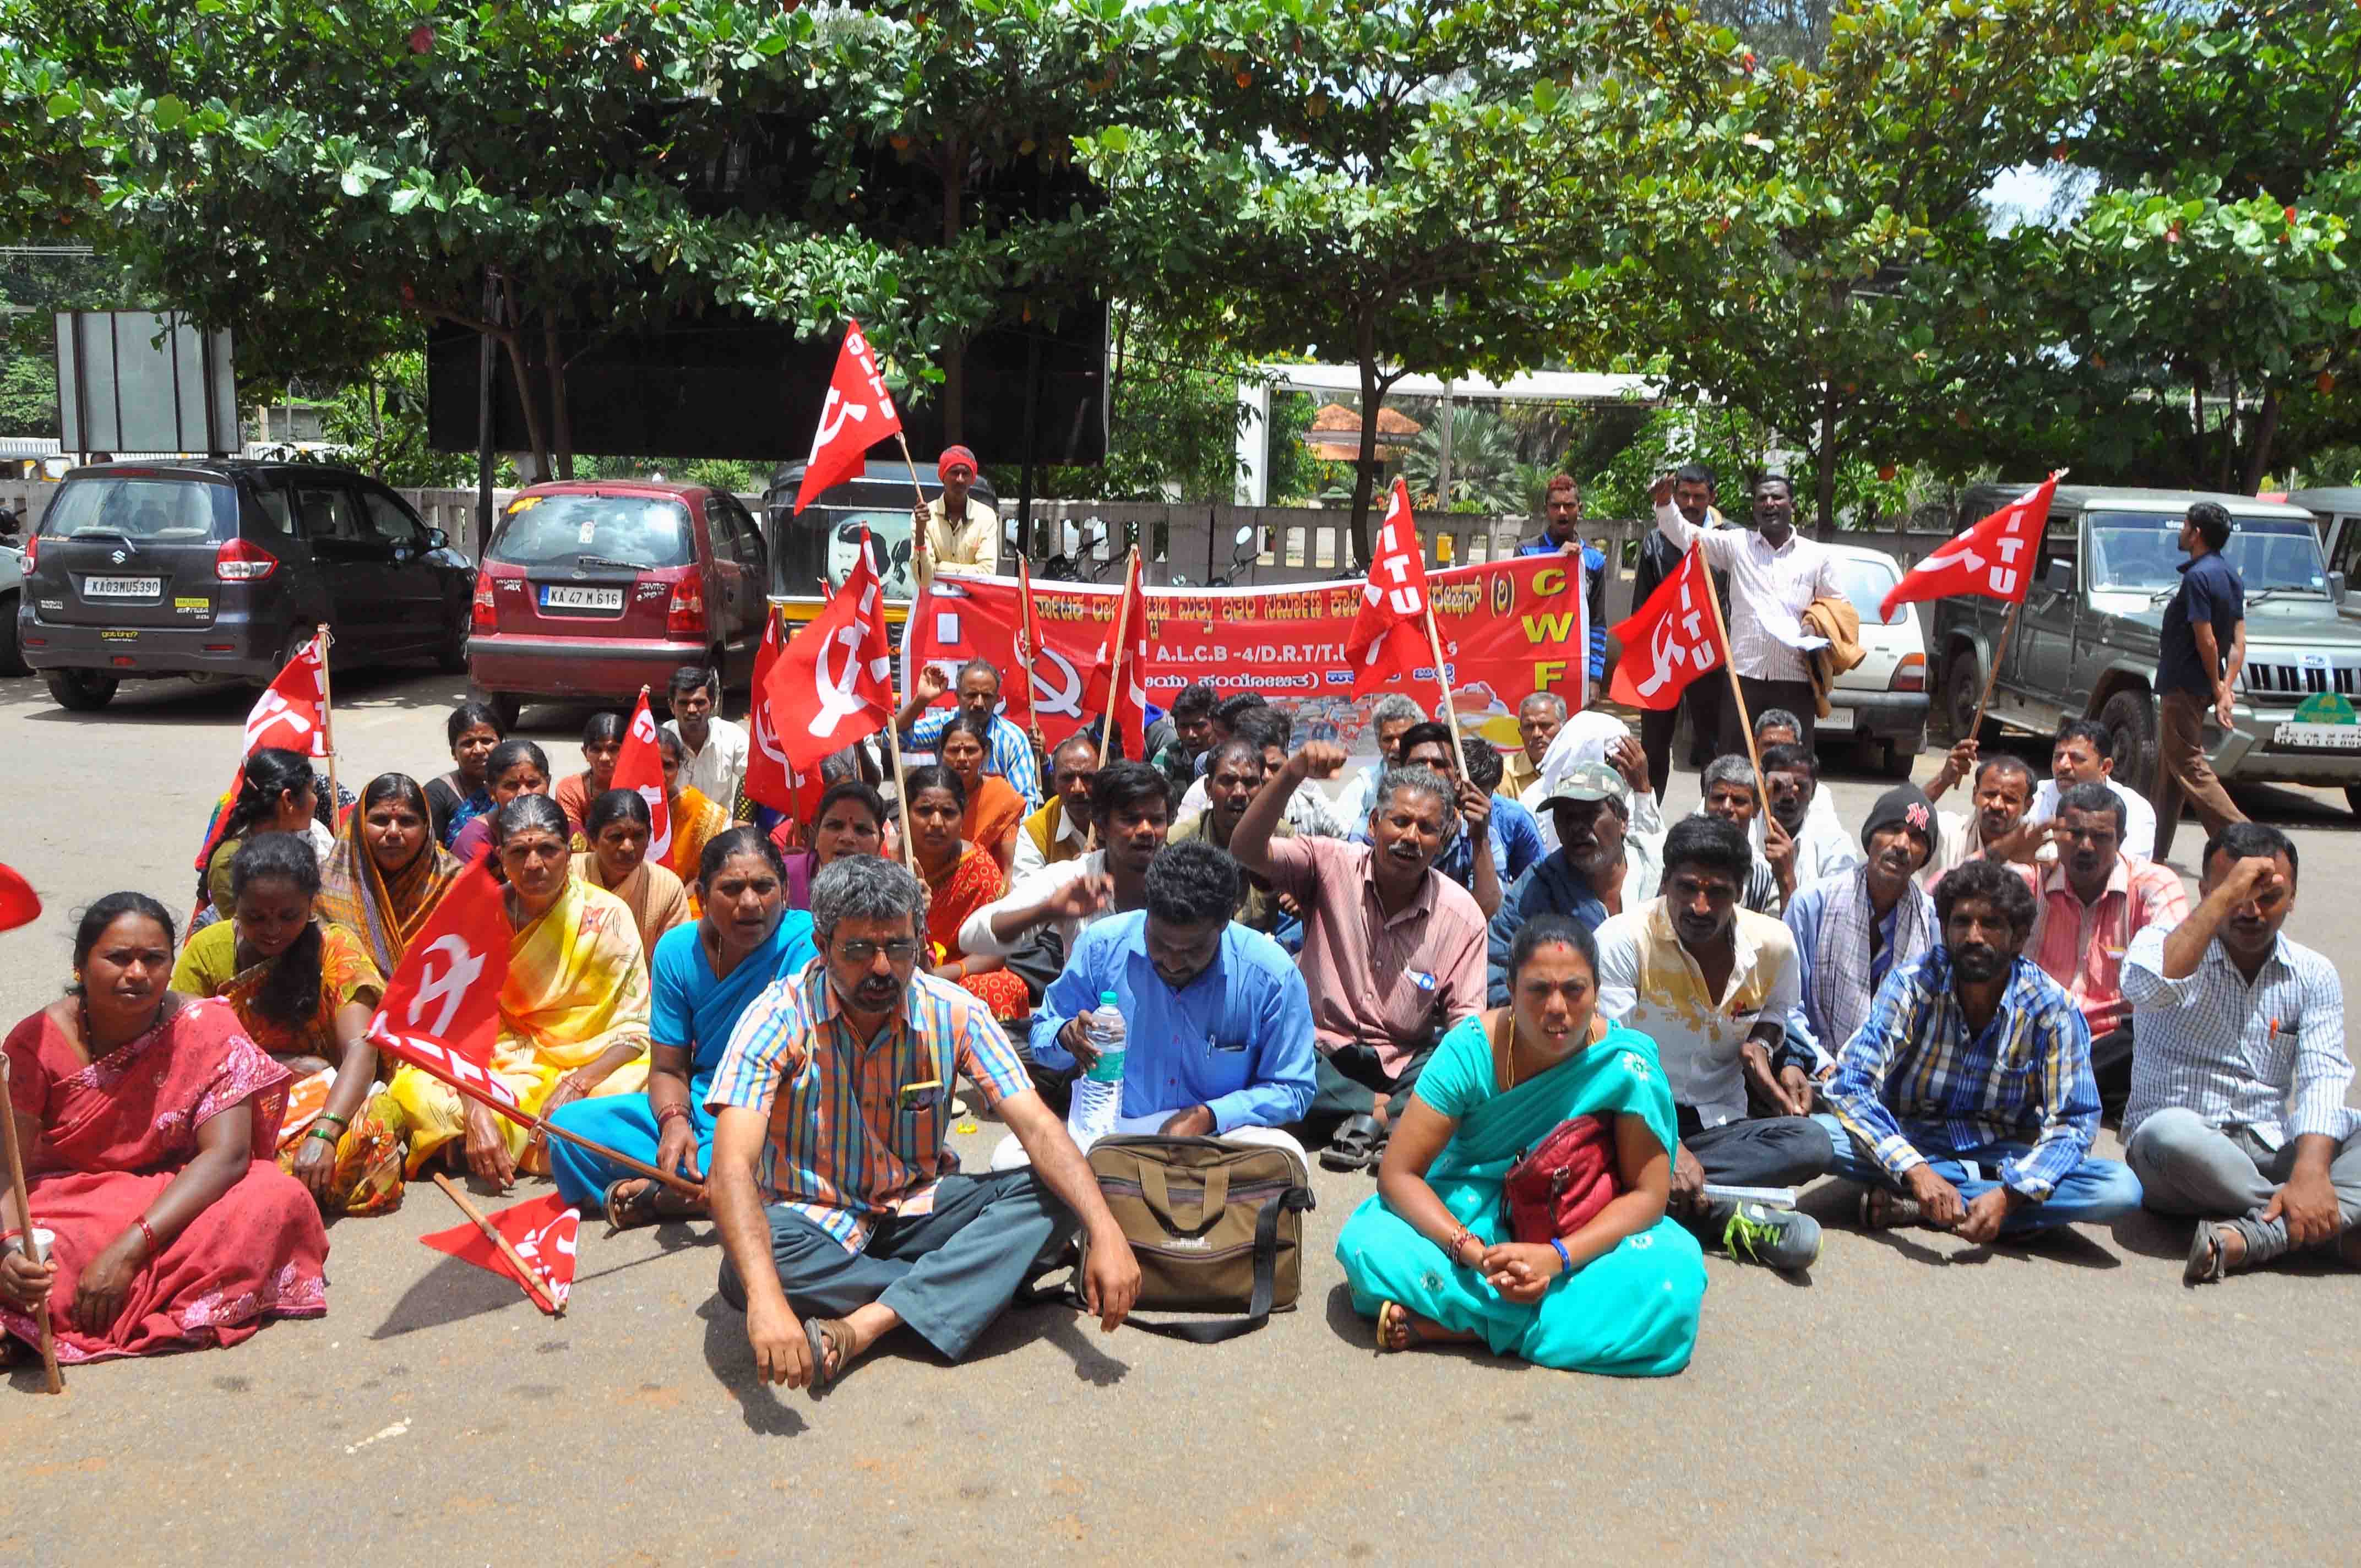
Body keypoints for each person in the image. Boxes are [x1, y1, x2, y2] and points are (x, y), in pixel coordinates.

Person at [706, 855, 1141, 1393]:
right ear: (821, 946)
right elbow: (730, 1168)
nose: (882, 968)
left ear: (921, 943)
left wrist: (1105, 1230)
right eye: (859, 950)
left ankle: (871, 1323)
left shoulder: (953, 1011)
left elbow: (1038, 1127)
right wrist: (767, 1302)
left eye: (899, 947)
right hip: (809, 1219)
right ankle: (973, 1279)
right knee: (749, 1271)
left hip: (916, 1208)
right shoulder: (777, 1016)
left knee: (1059, 1191)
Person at [1335, 916, 1704, 1374]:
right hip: (1469, 1214)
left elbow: (1647, 1197)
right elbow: (1397, 1175)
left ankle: (1467, 1327)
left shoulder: (1625, 1065)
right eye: (1538, 990)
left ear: (1596, 991)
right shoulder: (1470, 1051)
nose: (1557, 1008)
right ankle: (1524, 1323)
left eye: (1574, 990)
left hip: (1577, 1225)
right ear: (1510, 989)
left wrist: (1554, 1259)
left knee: (1674, 1276)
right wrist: (1479, 1257)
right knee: (1368, 1245)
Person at [1, 894, 329, 1362]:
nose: (137, 973)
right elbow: (6, 1168)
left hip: (175, 1195)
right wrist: (10, 1250)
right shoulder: (37, 1041)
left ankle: (62, 1314)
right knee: (42, 1262)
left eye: (153, 959)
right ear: (80, 965)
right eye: (119, 958)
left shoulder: (207, 1025)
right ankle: (51, 1306)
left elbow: (228, 1156)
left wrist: (130, 1249)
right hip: (72, 1202)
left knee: (278, 1197)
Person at [1818, 859, 2142, 1240]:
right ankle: (1956, 1198)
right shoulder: (1912, 984)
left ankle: (1920, 1207)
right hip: (1911, 1141)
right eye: (1962, 922)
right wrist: (1917, 1171)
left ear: (2018, 938)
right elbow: (1850, 1084)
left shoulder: (2052, 1008)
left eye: (1991, 924)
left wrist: (2010, 1195)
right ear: (1945, 930)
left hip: (2000, 1155)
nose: (1974, 936)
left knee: (2119, 1189)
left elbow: (2073, 1122)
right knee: (1821, 1138)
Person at [2119, 823, 2360, 1282]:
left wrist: (2311, 1172)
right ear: (2206, 892)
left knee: (2343, 1130)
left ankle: (2257, 1235)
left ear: (2293, 899)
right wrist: (2225, 897)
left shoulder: (2313, 973)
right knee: (2169, 1132)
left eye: (2268, 897)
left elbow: (2323, 1078)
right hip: (2177, 1157)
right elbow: (2149, 987)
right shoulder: (2160, 941)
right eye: (2236, 895)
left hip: (2269, 1147)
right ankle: (2320, 1224)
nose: (2250, 911)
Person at [1231, 743, 1486, 1173]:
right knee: (1265, 1045)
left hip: (1401, 1064)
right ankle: (1388, 1115)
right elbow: (1245, 850)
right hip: (1318, 1054)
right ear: (1373, 824)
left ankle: (1363, 1115)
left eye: (1426, 828)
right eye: (1400, 821)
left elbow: (1465, 1025)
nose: (1411, 837)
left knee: (1459, 1051)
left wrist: (1457, 1072)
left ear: (1442, 841)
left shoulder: (1462, 916)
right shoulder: (1329, 862)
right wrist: (1292, 773)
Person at [1594, 816, 1831, 1270]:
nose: (1700, 907)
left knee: (1813, 1143)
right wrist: (1667, 1145)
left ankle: (1649, 1196)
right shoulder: (1624, 941)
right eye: (1687, 888)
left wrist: (1762, 1047)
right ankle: (1725, 1215)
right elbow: (1615, 1059)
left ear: (1741, 891)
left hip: (1720, 1125)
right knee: (1589, 1147)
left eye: (1718, 892)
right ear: (1665, 881)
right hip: (1634, 1117)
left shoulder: (1774, 945)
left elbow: (1778, 1011)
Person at [550, 827, 817, 1227]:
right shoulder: (676, 950)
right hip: (702, 1101)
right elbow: (668, 1068)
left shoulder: (807, 942)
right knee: (569, 1130)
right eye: (732, 889)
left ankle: (668, 1196)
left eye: (764, 887)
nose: (750, 903)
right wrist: (674, 1122)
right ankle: (705, 1189)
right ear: (703, 899)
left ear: (786, 892)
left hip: (772, 1109)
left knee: (776, 1152)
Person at [387, 796, 653, 1186]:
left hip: (592, 1060)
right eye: (519, 852)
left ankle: (488, 1144)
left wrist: (577, 1083)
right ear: (501, 856)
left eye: (548, 850)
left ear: (570, 851)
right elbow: (453, 1024)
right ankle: (526, 1140)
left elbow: (635, 1029)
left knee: (631, 1088)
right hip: (501, 1059)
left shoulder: (608, 916)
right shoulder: (478, 915)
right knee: (416, 1086)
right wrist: (475, 1104)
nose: (534, 864)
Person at [1009, 840, 1316, 1167]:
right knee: (1009, 1158)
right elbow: (1042, 1035)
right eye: (1158, 943)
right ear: (1147, 911)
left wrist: (1210, 1116)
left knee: (1288, 1156)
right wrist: (1065, 1036)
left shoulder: (1272, 975)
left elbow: (1293, 1088)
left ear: (1224, 923)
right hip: (1116, 1132)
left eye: (1191, 950)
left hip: (1219, 1139)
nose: (1172, 962)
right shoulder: (1101, 947)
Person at [171, 832, 407, 1216]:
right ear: (235, 906)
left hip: (323, 1101)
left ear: (311, 906)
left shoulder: (335, 947)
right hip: (236, 1104)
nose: (273, 930)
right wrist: (275, 1069)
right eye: (256, 917)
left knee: (376, 1124)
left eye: (288, 916)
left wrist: (325, 1131)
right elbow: (184, 1048)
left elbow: (361, 1048)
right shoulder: (208, 951)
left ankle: (260, 1191)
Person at [2019, 781, 2188, 1115]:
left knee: (2152, 1033)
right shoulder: (2033, 878)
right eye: (2074, 834)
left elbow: (2175, 971)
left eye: (2100, 837)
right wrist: (2001, 856)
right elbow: (1945, 904)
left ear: (2121, 840)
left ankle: (2048, 1087)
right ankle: (2078, 1090)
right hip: (2038, 1033)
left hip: (2116, 1043)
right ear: (2055, 836)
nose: (2086, 846)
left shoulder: (2152, 884)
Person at [1652, 470, 1842, 760]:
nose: (1769, 504)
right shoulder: (1736, 544)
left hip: (1796, 681)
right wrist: (1666, 502)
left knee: (1792, 766)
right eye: (1762, 498)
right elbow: (1684, 534)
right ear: (1754, 507)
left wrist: (1814, 626)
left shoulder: (1818, 556)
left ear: (1792, 505)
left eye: (1777, 498)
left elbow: (1838, 607)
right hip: (1743, 681)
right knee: (1736, 764)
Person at [1486, 737, 1664, 1004]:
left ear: (1622, 821)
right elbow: (1496, 966)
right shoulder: (1537, 887)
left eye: (1590, 814)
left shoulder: (1659, 874)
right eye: (1567, 818)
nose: (1578, 828)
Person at [1782, 783, 1941, 1076]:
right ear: (1870, 839)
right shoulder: (1812, 904)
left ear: (1925, 857)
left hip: (1893, 1078)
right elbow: (1787, 1004)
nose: (1902, 845)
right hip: (1815, 1070)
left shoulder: (1932, 920)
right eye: (1892, 829)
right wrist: (1823, 1064)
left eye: (1917, 838)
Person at [959, 761, 1172, 964]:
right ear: (1100, 828)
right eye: (1131, 820)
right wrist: (1049, 911)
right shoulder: (1074, 879)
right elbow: (971, 936)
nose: (1146, 830)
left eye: (1156, 820)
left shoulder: (1182, 881)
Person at [2152, 499, 2249, 861]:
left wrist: (2218, 685)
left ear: (2197, 534)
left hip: (2184, 685)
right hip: (2201, 685)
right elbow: (2238, 643)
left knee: (2190, 766)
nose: (2181, 531)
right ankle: (2153, 852)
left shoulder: (2198, 577)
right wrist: (2224, 687)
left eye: (2184, 525)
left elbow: (2206, 639)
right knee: (2170, 769)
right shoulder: (2231, 576)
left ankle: (2248, 841)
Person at [1368, 721, 1542, 920]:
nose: (1428, 771)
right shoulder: (1378, 824)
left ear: (1458, 780)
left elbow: (1487, 915)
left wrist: (1480, 841)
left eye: (1440, 765)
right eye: (1418, 763)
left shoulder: (1479, 834)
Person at [900, 764, 1029, 1021]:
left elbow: (995, 951)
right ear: (905, 813)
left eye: (948, 813)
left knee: (1001, 988)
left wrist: (938, 976)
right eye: (924, 811)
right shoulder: (884, 860)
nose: (936, 823)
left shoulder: (978, 868)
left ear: (963, 819)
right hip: (892, 968)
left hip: (954, 976)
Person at [1631, 462, 1732, 790]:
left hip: (1710, 657)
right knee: (1654, 748)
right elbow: (1642, 606)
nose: (1690, 503)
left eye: (1698, 497)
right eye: (1684, 495)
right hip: (1667, 656)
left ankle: (1714, 814)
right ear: (1674, 496)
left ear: (1712, 497)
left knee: (1714, 748)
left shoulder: (1730, 539)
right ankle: (1648, 813)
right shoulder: (1655, 541)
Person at [317, 772, 463, 975]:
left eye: (407, 821)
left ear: (426, 827)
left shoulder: (455, 884)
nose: (393, 832)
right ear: (359, 825)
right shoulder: (325, 886)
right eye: (380, 820)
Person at [1169, 737, 1296, 935]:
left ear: (1263, 788)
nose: (1239, 793)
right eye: (1228, 781)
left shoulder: (1283, 838)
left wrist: (1301, 897)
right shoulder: (1179, 844)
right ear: (1209, 788)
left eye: (1250, 783)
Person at [199, 748, 335, 923]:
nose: (316, 800)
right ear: (288, 800)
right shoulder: (229, 863)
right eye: (311, 791)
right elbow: (249, 931)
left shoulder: (317, 837)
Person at [895, 657, 1045, 809]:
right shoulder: (942, 726)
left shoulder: (1013, 740)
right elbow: (894, 740)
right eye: (972, 695)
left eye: (987, 696)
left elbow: (1024, 805)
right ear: (958, 697)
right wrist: (921, 700)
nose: (979, 703)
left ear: (997, 700)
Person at [1179, 707, 1347, 838]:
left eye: (1275, 768)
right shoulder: (1206, 804)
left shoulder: (1314, 811)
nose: (1266, 776)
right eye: (1258, 770)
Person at [1516, 475, 1608, 701]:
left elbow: (1597, 623)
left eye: (1569, 505)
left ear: (1580, 509)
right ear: (1546, 510)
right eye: (1555, 506)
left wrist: (1594, 678)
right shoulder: (1525, 552)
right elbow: (1518, 612)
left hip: (1575, 670)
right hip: (1532, 668)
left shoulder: (1594, 561)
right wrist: (1557, 562)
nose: (1562, 512)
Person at [574, 787, 694, 959]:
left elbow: (675, 958)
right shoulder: (569, 875)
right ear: (593, 840)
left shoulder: (668, 888)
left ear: (649, 838)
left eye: (638, 836)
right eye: (616, 837)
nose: (628, 847)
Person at [2028, 718, 2156, 862]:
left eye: (2077, 758)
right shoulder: (2034, 798)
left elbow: (2130, 868)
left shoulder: (2136, 809)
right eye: (2058, 757)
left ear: (2105, 767)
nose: (2063, 765)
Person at [1920, 746, 2043, 891]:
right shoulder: (1948, 832)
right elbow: (1905, 818)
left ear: (2028, 806)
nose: (1997, 805)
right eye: (1990, 795)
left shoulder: (2039, 849)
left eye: (2010, 799)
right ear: (1975, 795)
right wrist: (1943, 779)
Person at [1757, 743, 1862, 905]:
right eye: (1779, 786)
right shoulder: (1745, 827)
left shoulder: (1834, 843)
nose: (1788, 796)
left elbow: (1839, 908)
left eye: (1800, 787)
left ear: (1813, 791)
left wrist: (1787, 878)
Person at [1692, 755, 1787, 915]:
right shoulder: (1682, 861)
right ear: (1706, 802)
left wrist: (1786, 879)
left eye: (1738, 801)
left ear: (1756, 809)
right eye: (1719, 798)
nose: (1727, 808)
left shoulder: (1765, 878)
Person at [774, 779, 889, 909]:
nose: (847, 838)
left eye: (862, 830)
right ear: (817, 834)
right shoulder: (782, 876)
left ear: (880, 842)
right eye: (835, 826)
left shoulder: (893, 891)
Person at [656, 727, 736, 912]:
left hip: (683, 898)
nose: (659, 773)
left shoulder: (697, 807)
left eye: (668, 766)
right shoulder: (627, 803)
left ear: (679, 767)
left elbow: (705, 874)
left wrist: (676, 900)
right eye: (652, 764)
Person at [939, 709, 1025, 873]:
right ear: (942, 753)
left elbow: (1010, 866)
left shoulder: (1002, 796)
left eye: (971, 751)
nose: (962, 758)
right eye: (954, 750)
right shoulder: (929, 795)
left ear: (984, 754)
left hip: (988, 885)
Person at [662, 663, 751, 814]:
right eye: (684, 703)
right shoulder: (660, 743)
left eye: (699, 703)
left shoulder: (732, 736)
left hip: (721, 826)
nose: (692, 710)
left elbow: (753, 780)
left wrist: (741, 819)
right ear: (672, 706)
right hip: (674, 825)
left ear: (713, 703)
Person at [449, 738, 554, 863]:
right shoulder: (474, 839)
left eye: (532, 783)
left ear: (548, 784)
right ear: (491, 792)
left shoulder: (558, 824)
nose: (523, 794)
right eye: (511, 786)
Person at [911, 445, 1001, 592]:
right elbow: (924, 580)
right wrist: (920, 532)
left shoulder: (986, 517)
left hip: (972, 606)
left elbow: (987, 573)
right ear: (943, 476)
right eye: (954, 473)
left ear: (972, 479)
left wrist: (938, 568)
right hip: (934, 606)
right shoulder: (923, 517)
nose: (960, 479)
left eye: (965, 474)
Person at [1331, 694, 1427, 826]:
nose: (1396, 747)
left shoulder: (1435, 776)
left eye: (1404, 738)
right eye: (1388, 739)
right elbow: (1338, 826)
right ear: (1379, 742)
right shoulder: (1366, 785)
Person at [1013, 733, 1098, 881]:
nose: (1077, 789)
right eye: (1067, 778)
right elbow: (1024, 891)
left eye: (1087, 778)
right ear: (1054, 782)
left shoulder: (1122, 820)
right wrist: (1072, 873)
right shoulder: (1036, 832)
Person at [423, 699, 505, 847]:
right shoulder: (436, 794)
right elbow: (430, 852)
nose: (479, 750)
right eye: (468, 743)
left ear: (501, 744)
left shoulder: (518, 787)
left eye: (486, 741)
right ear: (453, 752)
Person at [553, 711, 624, 839]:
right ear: (585, 753)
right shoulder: (570, 790)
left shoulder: (638, 786)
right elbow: (575, 839)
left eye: (614, 749)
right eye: (596, 750)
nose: (604, 758)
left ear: (627, 751)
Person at [1149, 682, 1217, 795]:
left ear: (1215, 724)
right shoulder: (1168, 756)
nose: (1191, 735)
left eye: (1199, 726)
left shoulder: (1227, 756)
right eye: (1184, 727)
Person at [1501, 691, 1566, 806]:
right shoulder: (1505, 773)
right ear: (1520, 732)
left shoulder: (1577, 768)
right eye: (1529, 727)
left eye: (1545, 725)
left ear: (1564, 728)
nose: (1537, 734)